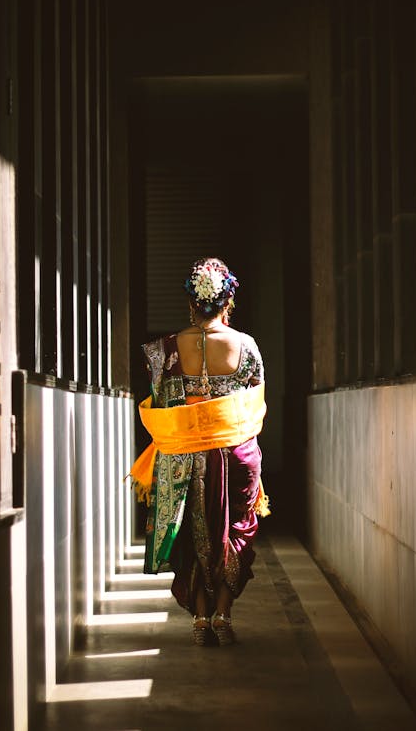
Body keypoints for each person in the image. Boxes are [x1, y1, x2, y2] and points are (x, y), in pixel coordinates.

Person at [130, 257, 269, 646]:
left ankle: (201, 618)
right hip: (234, 453)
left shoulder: (165, 351)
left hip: (184, 457)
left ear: (191, 304)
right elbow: (254, 404)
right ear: (228, 303)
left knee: (192, 534)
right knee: (234, 530)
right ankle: (224, 613)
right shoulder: (247, 346)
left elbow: (160, 403)